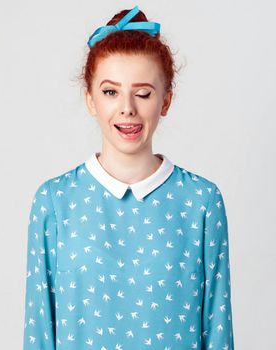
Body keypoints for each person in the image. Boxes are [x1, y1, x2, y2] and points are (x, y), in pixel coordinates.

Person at [23, 5, 235, 349]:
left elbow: (218, 331)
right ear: (91, 100)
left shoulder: (201, 202)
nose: (127, 108)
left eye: (143, 93)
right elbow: (39, 336)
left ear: (165, 101)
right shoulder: (55, 202)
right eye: (111, 92)